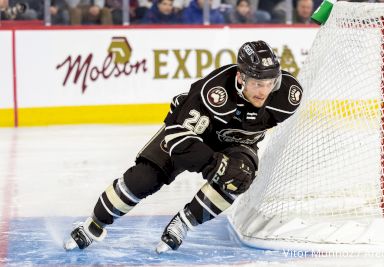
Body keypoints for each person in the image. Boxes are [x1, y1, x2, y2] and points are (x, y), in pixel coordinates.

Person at [63, 40, 303, 254]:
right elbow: (178, 137)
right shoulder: (214, 92)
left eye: (270, 82)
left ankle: (183, 223)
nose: (264, 91)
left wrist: (229, 167)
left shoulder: (287, 95)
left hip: (236, 142)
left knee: (239, 177)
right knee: (143, 180)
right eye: (257, 84)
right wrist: (213, 164)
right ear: (241, 77)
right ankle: (94, 224)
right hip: (187, 134)